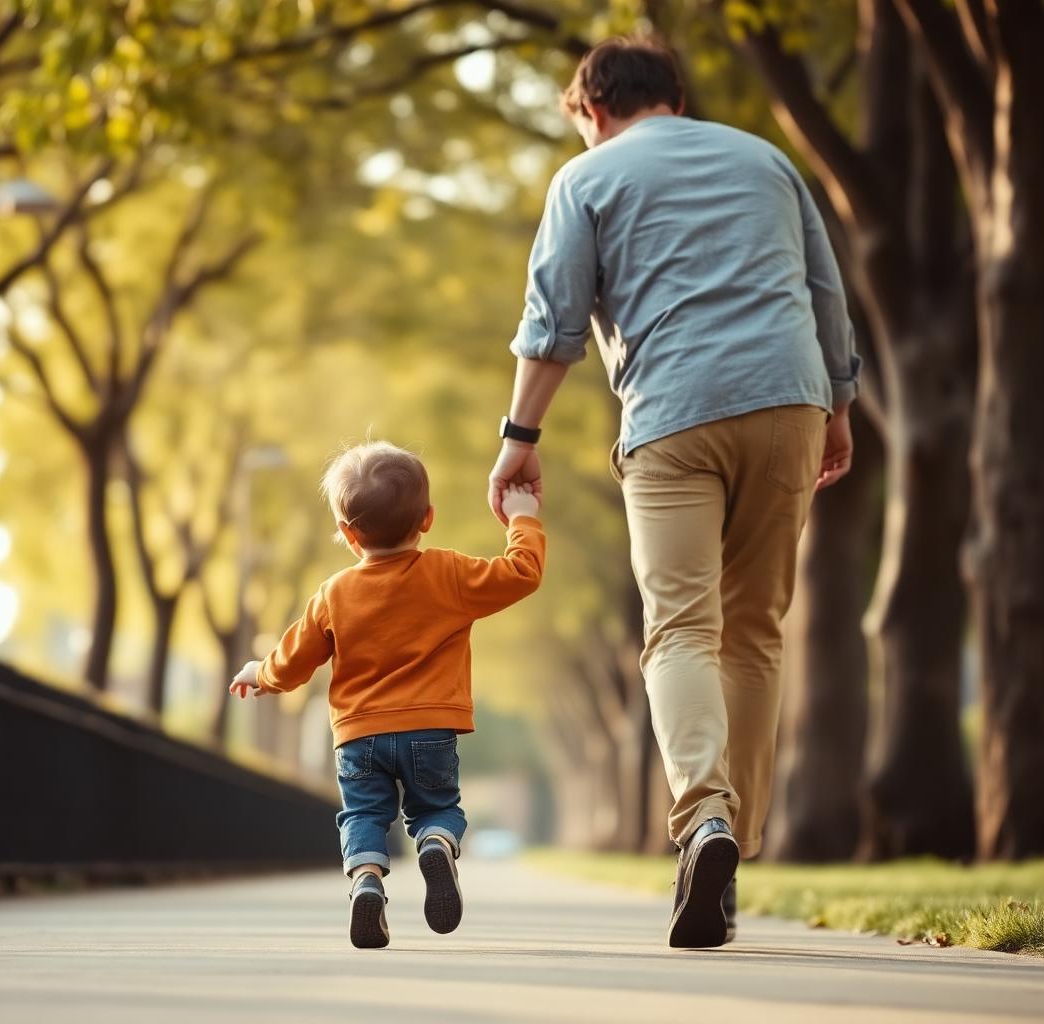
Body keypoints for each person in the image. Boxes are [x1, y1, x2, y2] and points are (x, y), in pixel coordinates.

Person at [488, 36, 860, 949]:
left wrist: (519, 440)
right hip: (790, 400)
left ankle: (706, 821)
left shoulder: (589, 178)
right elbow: (825, 291)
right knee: (756, 627)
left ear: (593, 110)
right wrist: (839, 406)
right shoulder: (768, 159)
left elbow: (554, 322)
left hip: (673, 415)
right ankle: (737, 845)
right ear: (675, 99)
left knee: (682, 628)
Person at [229, 441, 545, 949]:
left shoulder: (333, 594)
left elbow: (292, 664)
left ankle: (366, 882)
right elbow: (522, 573)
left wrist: (258, 673)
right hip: (430, 731)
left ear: (349, 535)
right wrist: (521, 518)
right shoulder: (449, 573)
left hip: (358, 737)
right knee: (437, 807)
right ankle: (436, 843)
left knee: (363, 816)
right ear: (427, 518)